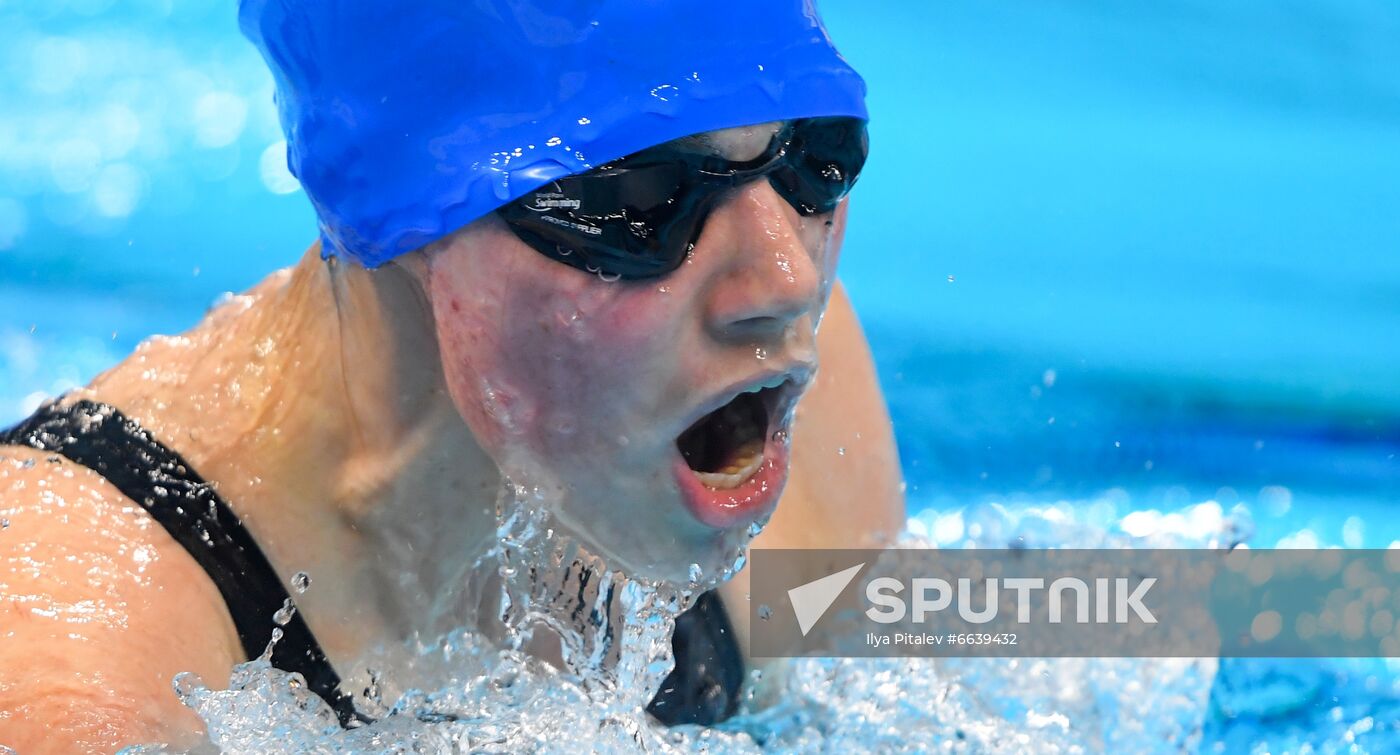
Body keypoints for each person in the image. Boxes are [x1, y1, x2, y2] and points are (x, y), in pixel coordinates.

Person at [0, 1, 903, 751]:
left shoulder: (783, 397)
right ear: (401, 223)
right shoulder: (82, 661)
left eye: (816, 160)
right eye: (639, 201)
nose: (786, 281)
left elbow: (980, 637)